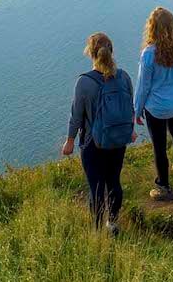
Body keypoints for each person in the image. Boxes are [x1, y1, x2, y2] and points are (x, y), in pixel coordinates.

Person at [62, 32, 136, 235]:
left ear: (91, 54)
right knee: (113, 181)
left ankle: (96, 232)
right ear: (111, 52)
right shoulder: (124, 76)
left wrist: (69, 141)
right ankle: (112, 224)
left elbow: (76, 116)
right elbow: (130, 106)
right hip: (118, 140)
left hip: (93, 143)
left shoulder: (84, 82)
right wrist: (131, 131)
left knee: (96, 187)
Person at [135, 7, 173, 201]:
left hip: (157, 107)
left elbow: (143, 86)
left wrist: (137, 109)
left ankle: (164, 187)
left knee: (159, 146)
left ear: (152, 28)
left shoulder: (149, 54)